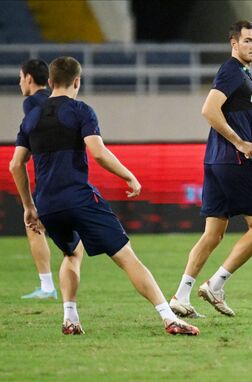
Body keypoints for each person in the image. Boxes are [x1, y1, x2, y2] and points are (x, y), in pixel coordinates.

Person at [9, 56, 199, 336]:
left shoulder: (32, 117)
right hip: (78, 198)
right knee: (126, 256)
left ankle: (70, 319)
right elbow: (97, 152)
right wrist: (128, 175)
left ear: (50, 83)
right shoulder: (81, 110)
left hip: (47, 205)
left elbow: (16, 165)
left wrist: (29, 205)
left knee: (71, 253)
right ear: (77, 81)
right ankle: (169, 317)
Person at [169, 20, 252, 318]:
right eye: (247, 41)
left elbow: (232, 112)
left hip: (215, 161)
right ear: (234, 43)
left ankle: (181, 296)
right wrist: (240, 142)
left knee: (213, 234)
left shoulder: (243, 72)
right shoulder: (232, 70)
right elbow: (209, 110)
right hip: (233, 161)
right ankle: (215, 284)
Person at [17, 59, 58, 300]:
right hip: (70, 175)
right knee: (73, 242)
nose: (20, 82)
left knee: (32, 223)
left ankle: (47, 287)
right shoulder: (57, 100)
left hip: (49, 178)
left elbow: (38, 131)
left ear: (29, 78)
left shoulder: (32, 102)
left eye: (21, 77)